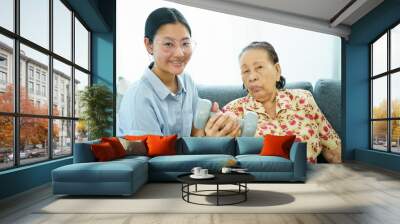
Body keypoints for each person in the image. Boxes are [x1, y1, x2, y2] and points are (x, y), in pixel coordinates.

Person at [117, 7, 240, 137]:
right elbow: (150, 156)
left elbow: (196, 132)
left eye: (185, 43)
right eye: (168, 44)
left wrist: (220, 124)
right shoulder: (139, 97)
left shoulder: (187, 81)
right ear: (149, 45)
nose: (180, 53)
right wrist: (207, 142)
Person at [222, 41, 341, 163]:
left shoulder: (303, 99)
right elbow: (220, 158)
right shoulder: (232, 111)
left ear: (277, 70)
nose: (252, 77)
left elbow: (333, 152)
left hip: (309, 180)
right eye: (245, 71)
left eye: (259, 67)